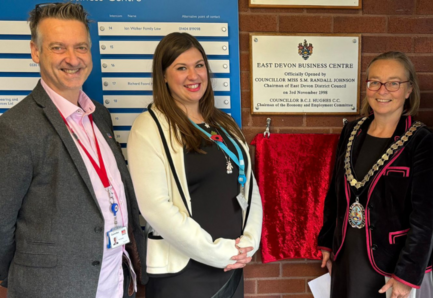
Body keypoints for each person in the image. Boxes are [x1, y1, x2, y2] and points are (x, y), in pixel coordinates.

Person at [0, 3, 146, 298]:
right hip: (55, 289)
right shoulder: (16, 127)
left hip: (116, 282)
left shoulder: (100, 116)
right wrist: (28, 278)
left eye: (81, 47)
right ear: (35, 51)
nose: (72, 59)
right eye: (58, 48)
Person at [127, 32, 263, 298]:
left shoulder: (225, 123)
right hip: (184, 273)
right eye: (181, 67)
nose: (194, 75)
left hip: (231, 265)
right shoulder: (149, 127)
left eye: (199, 65)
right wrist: (217, 252)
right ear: (163, 76)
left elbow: (250, 187)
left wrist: (248, 243)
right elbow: (156, 208)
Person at [318, 51, 433, 298]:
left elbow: (426, 219)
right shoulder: (351, 131)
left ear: (409, 90)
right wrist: (327, 242)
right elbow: (335, 193)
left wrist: (406, 275)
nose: (382, 90)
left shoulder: (422, 141)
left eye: (393, 83)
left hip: (393, 265)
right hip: (347, 254)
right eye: (374, 82)